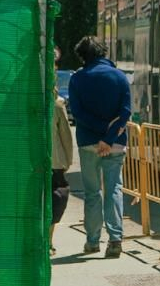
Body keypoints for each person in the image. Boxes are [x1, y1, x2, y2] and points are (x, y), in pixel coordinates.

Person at [67, 35, 131, 257]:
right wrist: (109, 136)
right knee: (113, 189)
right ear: (103, 52)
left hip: (88, 143)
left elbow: (78, 113)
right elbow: (125, 112)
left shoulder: (77, 79)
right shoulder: (120, 77)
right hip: (115, 143)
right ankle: (115, 240)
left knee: (92, 192)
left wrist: (99, 134)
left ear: (83, 56)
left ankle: (92, 241)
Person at [50, 86, 73, 254]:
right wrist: (67, 161)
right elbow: (65, 135)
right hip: (54, 163)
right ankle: (48, 241)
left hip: (32, 165)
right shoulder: (56, 105)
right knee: (56, 202)